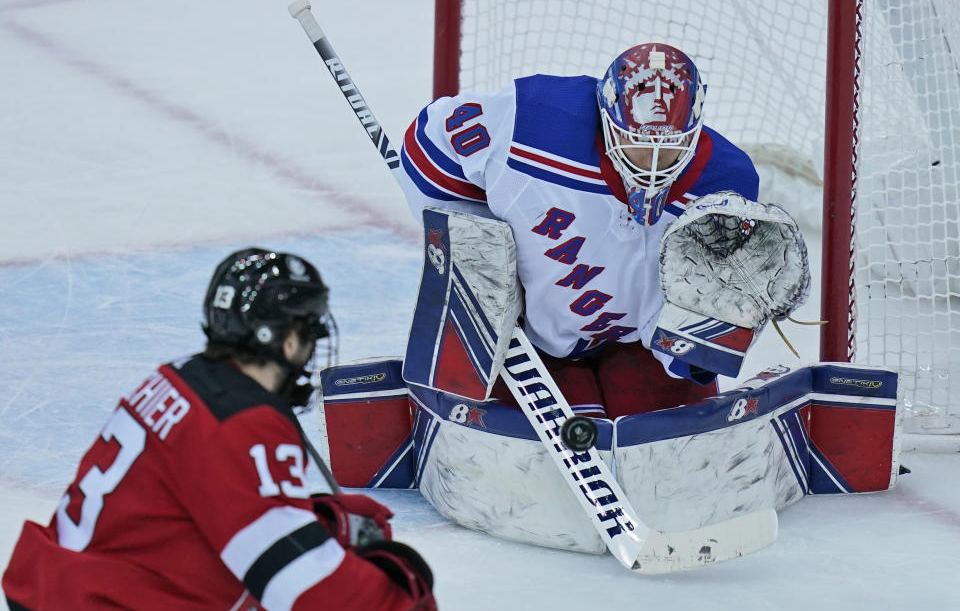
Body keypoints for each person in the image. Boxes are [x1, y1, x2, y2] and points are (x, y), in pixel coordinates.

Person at [2, 248, 436, 611]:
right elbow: (302, 587)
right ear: (286, 339)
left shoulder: (179, 377)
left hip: (54, 586)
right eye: (307, 331)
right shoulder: (240, 423)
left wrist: (315, 522)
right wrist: (397, 595)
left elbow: (186, 513)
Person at [397, 43, 760, 419]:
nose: (651, 167)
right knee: (540, 450)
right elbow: (430, 146)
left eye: (669, 148)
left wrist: (709, 339)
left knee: (676, 441)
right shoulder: (533, 121)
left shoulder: (727, 187)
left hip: (644, 347)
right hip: (530, 344)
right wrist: (476, 244)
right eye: (635, 145)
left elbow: (705, 305)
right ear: (606, 118)